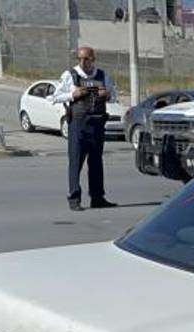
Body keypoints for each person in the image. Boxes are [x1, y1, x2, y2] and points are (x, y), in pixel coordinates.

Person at [51, 47, 117, 211]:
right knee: (75, 162)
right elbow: (55, 97)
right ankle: (74, 199)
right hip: (78, 124)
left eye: (86, 59)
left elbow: (113, 95)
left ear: (93, 59)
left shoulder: (102, 75)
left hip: (97, 124)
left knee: (96, 162)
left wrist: (106, 94)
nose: (83, 62)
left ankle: (97, 197)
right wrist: (73, 95)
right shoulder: (70, 76)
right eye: (80, 59)